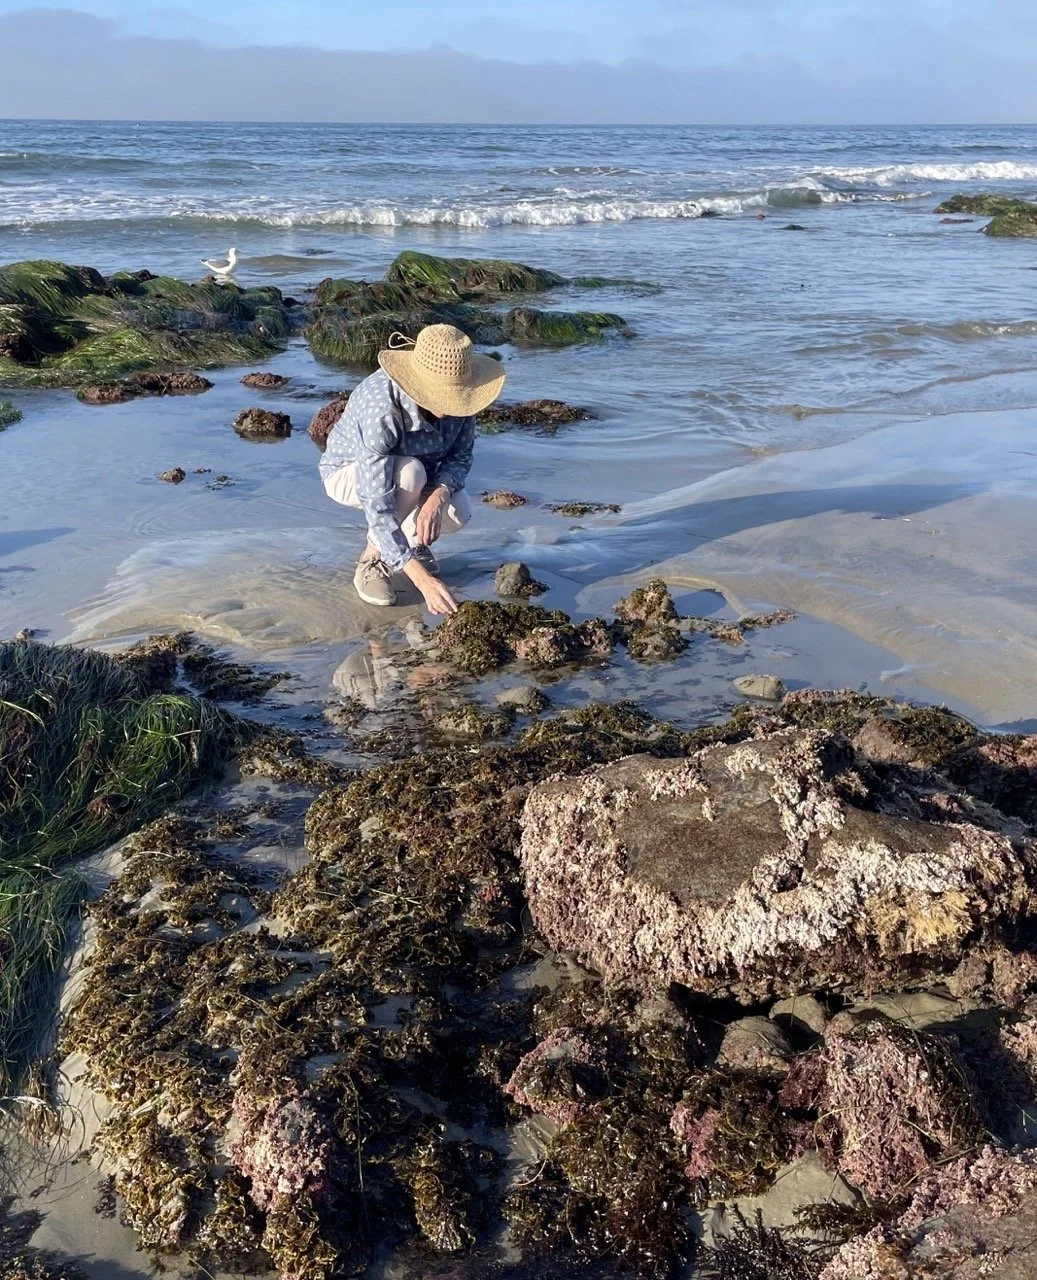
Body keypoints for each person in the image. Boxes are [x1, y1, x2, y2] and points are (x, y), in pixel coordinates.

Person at [319, 323, 505, 614]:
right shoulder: (382, 406)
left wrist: (438, 496)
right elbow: (376, 500)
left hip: (420, 476)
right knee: (411, 473)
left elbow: (460, 458)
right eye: (444, 396)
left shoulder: (464, 401)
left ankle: (409, 546)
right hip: (348, 472)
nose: (451, 405)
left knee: (458, 511)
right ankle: (372, 560)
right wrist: (423, 581)